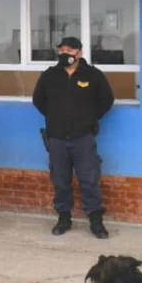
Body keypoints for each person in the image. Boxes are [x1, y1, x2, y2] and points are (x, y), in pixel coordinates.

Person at [32, 36, 115, 238]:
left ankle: (96, 221)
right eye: (61, 50)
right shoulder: (50, 75)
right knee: (60, 180)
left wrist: (89, 118)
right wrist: (55, 118)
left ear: (79, 53)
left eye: (69, 50)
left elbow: (107, 100)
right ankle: (64, 218)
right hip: (57, 139)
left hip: (83, 139)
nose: (64, 54)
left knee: (89, 180)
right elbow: (38, 100)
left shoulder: (94, 75)